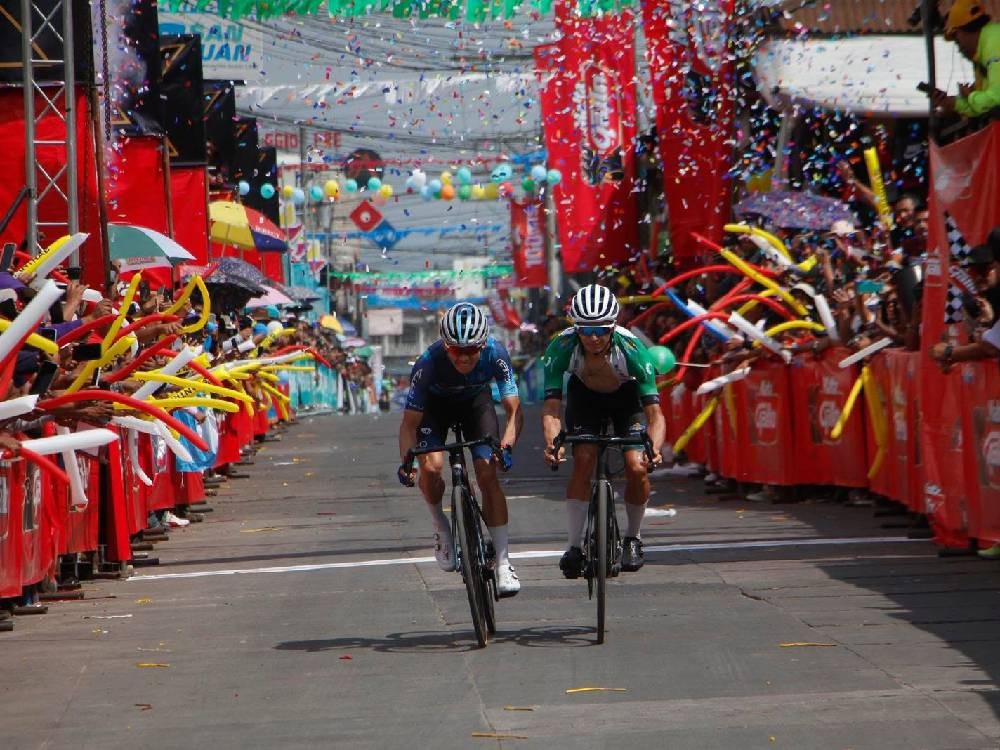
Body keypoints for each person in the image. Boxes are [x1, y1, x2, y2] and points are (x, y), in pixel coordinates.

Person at [397, 302, 523, 596]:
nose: (464, 357)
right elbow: (409, 424)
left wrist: (506, 447)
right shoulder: (428, 363)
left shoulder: (496, 354)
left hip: (476, 405)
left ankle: (503, 563)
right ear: (446, 345)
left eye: (472, 350)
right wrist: (408, 463)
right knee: (431, 468)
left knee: (487, 473)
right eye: (456, 350)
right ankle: (440, 524)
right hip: (435, 410)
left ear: (483, 345)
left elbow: (514, 411)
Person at [540, 284, 665, 576]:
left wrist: (655, 448)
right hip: (585, 398)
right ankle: (574, 547)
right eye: (585, 330)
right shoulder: (560, 347)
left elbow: (655, 414)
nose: (593, 337)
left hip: (626, 398)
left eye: (601, 330)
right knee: (584, 459)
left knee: (637, 467)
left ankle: (633, 538)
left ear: (613, 327)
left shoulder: (633, 351)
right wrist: (553, 444)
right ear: (576, 328)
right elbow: (551, 409)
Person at [932, 0, 1000, 118]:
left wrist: (971, 95)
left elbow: (995, 100)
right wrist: (955, 104)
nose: (959, 48)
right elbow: (984, 108)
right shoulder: (984, 47)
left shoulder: (994, 43)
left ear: (966, 30)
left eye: (957, 39)